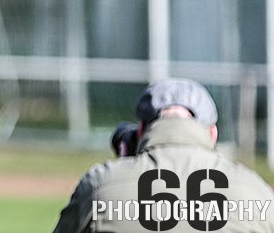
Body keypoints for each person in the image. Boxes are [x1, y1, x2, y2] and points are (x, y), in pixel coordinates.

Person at [53, 78, 274, 232]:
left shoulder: (99, 184)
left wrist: (122, 172)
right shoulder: (256, 191)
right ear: (212, 134)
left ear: (141, 130)